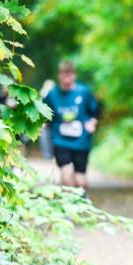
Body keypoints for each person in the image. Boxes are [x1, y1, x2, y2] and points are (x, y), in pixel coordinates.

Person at [43, 61, 100, 189]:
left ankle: (82, 202)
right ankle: (69, 206)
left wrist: (92, 123)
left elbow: (95, 112)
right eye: (64, 75)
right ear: (59, 75)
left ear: (74, 75)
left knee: (80, 180)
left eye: (69, 75)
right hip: (60, 140)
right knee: (66, 173)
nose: (66, 78)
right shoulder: (52, 94)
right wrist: (42, 124)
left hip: (81, 140)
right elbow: (43, 112)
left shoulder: (84, 92)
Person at [38, 79, 56, 161]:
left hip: (54, 122)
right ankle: (48, 155)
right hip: (45, 122)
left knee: (53, 138)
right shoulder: (43, 95)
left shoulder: (56, 95)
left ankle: (53, 154)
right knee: (45, 138)